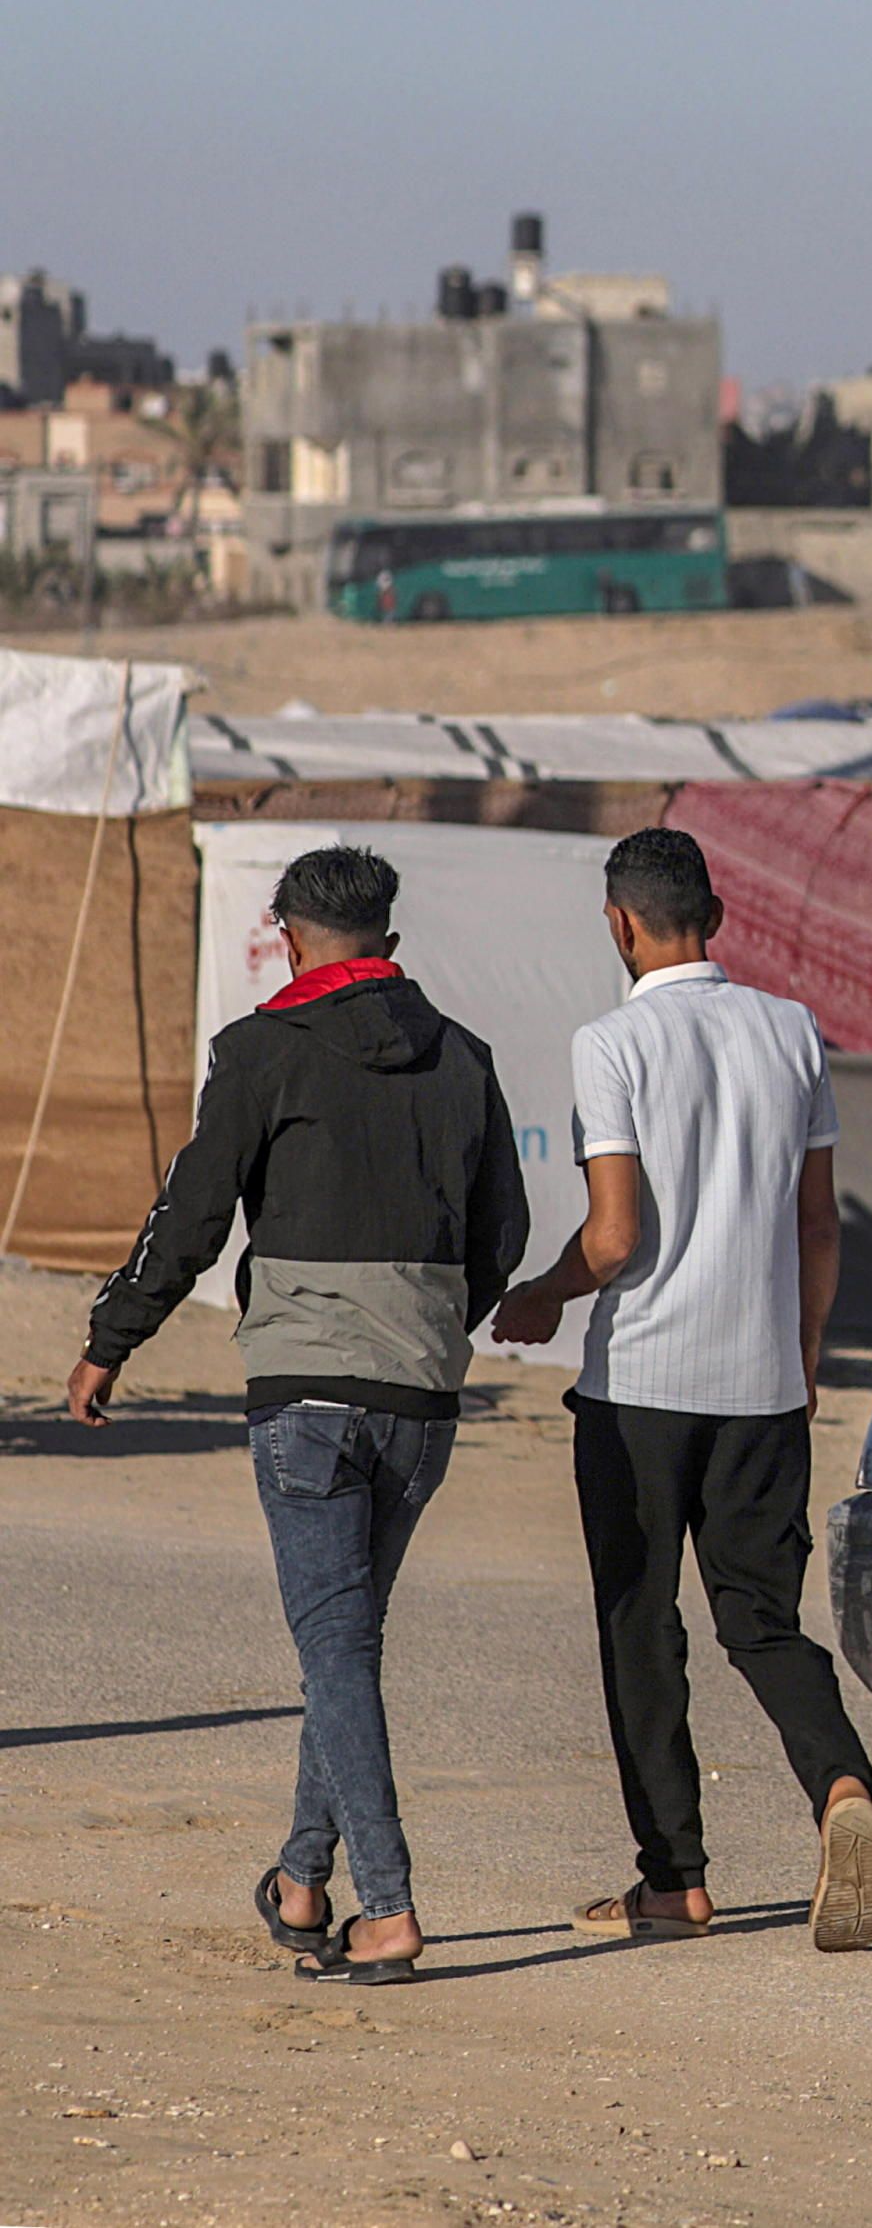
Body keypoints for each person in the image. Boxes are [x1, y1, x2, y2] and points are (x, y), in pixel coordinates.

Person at [69, 845, 525, 1988]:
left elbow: (191, 1216)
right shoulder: (464, 1057)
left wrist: (109, 1341)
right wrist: (431, 1320)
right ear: (391, 941)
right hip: (422, 1390)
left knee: (335, 1649)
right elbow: (503, 1232)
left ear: (281, 934)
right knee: (348, 1647)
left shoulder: (261, 1050)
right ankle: (305, 1878)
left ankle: (389, 1904)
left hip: (309, 1391)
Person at [488, 827, 872, 1953]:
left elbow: (613, 1239)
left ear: (619, 923)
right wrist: (802, 1358)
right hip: (764, 1383)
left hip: (646, 1387)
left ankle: (675, 1882)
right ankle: (844, 1789)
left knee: (639, 1623)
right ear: (715, 914)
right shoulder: (792, 1030)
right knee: (759, 1620)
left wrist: (539, 1298)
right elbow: (819, 1225)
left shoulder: (611, 1043)